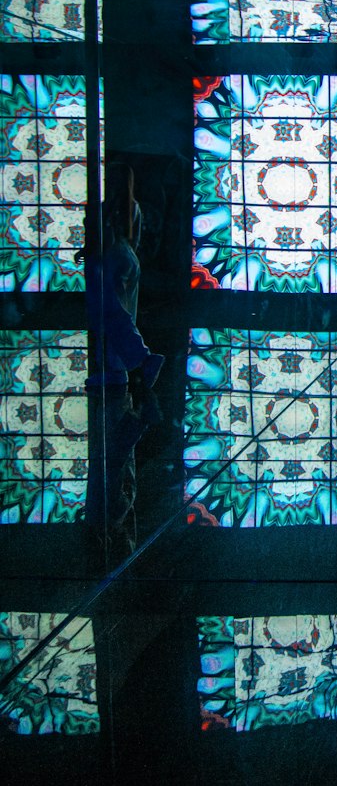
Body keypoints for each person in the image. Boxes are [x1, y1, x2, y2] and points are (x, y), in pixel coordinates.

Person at [79, 163, 163, 542]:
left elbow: (113, 315)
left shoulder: (113, 257)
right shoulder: (115, 257)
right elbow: (113, 314)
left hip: (112, 375)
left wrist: (141, 364)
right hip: (114, 375)